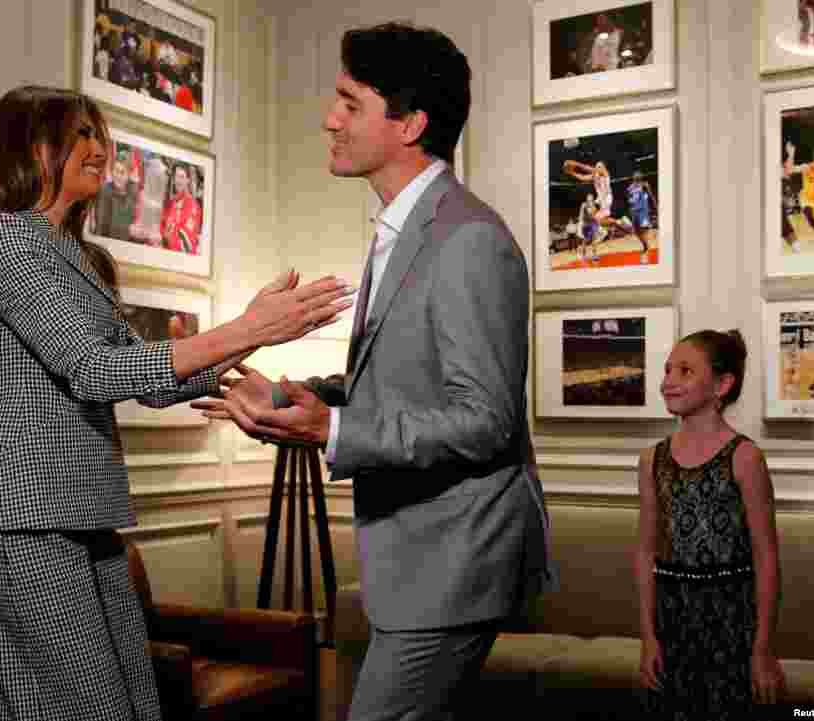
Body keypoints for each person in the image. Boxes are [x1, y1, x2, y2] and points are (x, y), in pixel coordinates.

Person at [0, 85, 354, 721]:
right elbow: (93, 369)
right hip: (26, 513)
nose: (98, 149)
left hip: (84, 508)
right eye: (78, 134)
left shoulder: (80, 256)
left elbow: (150, 380)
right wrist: (250, 330)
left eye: (98, 134)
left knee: (133, 701)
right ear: (31, 147)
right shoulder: (1, 239)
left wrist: (247, 332)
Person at [193, 22, 551, 721]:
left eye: (350, 103)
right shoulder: (407, 229)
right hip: (417, 568)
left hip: (452, 566)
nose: (330, 119)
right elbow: (400, 386)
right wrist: (302, 399)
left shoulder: (468, 239)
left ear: (410, 123)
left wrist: (333, 425)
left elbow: (485, 419)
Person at [634, 330, 785, 720]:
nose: (668, 380)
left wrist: (763, 649)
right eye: (667, 369)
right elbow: (645, 551)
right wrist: (648, 638)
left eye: (685, 371)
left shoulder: (745, 457)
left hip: (731, 621)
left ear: (722, 384)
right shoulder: (651, 459)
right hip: (672, 619)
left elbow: (766, 556)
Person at [784, 141, 814, 243]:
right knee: (808, 211)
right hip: (808, 196)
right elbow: (789, 170)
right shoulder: (807, 167)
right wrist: (791, 154)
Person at [159, 164, 203, 254]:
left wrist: (166, 236)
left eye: (182, 177)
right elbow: (161, 225)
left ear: (188, 180)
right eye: (176, 177)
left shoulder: (193, 206)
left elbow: (186, 243)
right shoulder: (170, 203)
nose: (178, 180)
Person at [626, 171, 656, 264]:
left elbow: (651, 196)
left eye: (638, 175)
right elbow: (629, 199)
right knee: (636, 232)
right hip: (634, 211)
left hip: (643, 211)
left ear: (641, 177)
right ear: (633, 177)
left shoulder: (645, 185)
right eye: (635, 175)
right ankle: (645, 245)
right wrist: (630, 204)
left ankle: (646, 252)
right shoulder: (630, 188)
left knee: (644, 230)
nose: (637, 176)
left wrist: (656, 206)